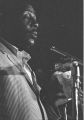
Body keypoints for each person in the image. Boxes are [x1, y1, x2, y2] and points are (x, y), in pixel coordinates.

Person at [0, 2, 48, 120]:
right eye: (27, 16)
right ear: (7, 19)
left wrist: (51, 98)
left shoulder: (26, 66)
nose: (36, 24)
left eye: (36, 19)